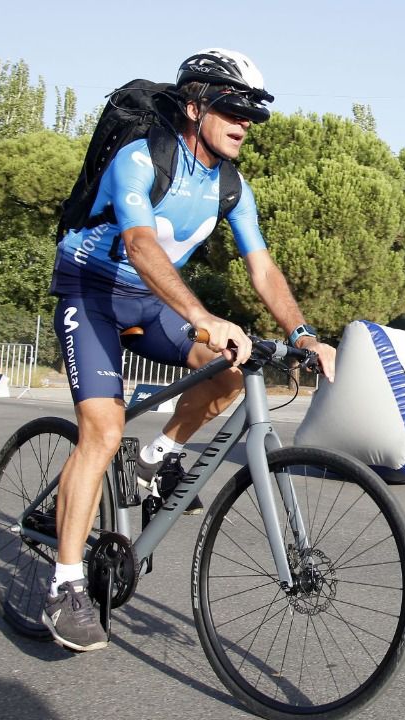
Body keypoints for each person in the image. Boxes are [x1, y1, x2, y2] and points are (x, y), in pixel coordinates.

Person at [44, 48, 336, 652]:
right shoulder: (141, 159)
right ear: (196, 103)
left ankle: (156, 458)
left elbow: (263, 269)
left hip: (151, 304)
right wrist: (203, 316)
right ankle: (65, 585)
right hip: (92, 293)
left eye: (254, 113)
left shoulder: (231, 186)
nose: (245, 122)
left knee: (233, 371)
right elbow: (141, 244)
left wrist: (302, 335)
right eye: (234, 107)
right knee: (100, 429)